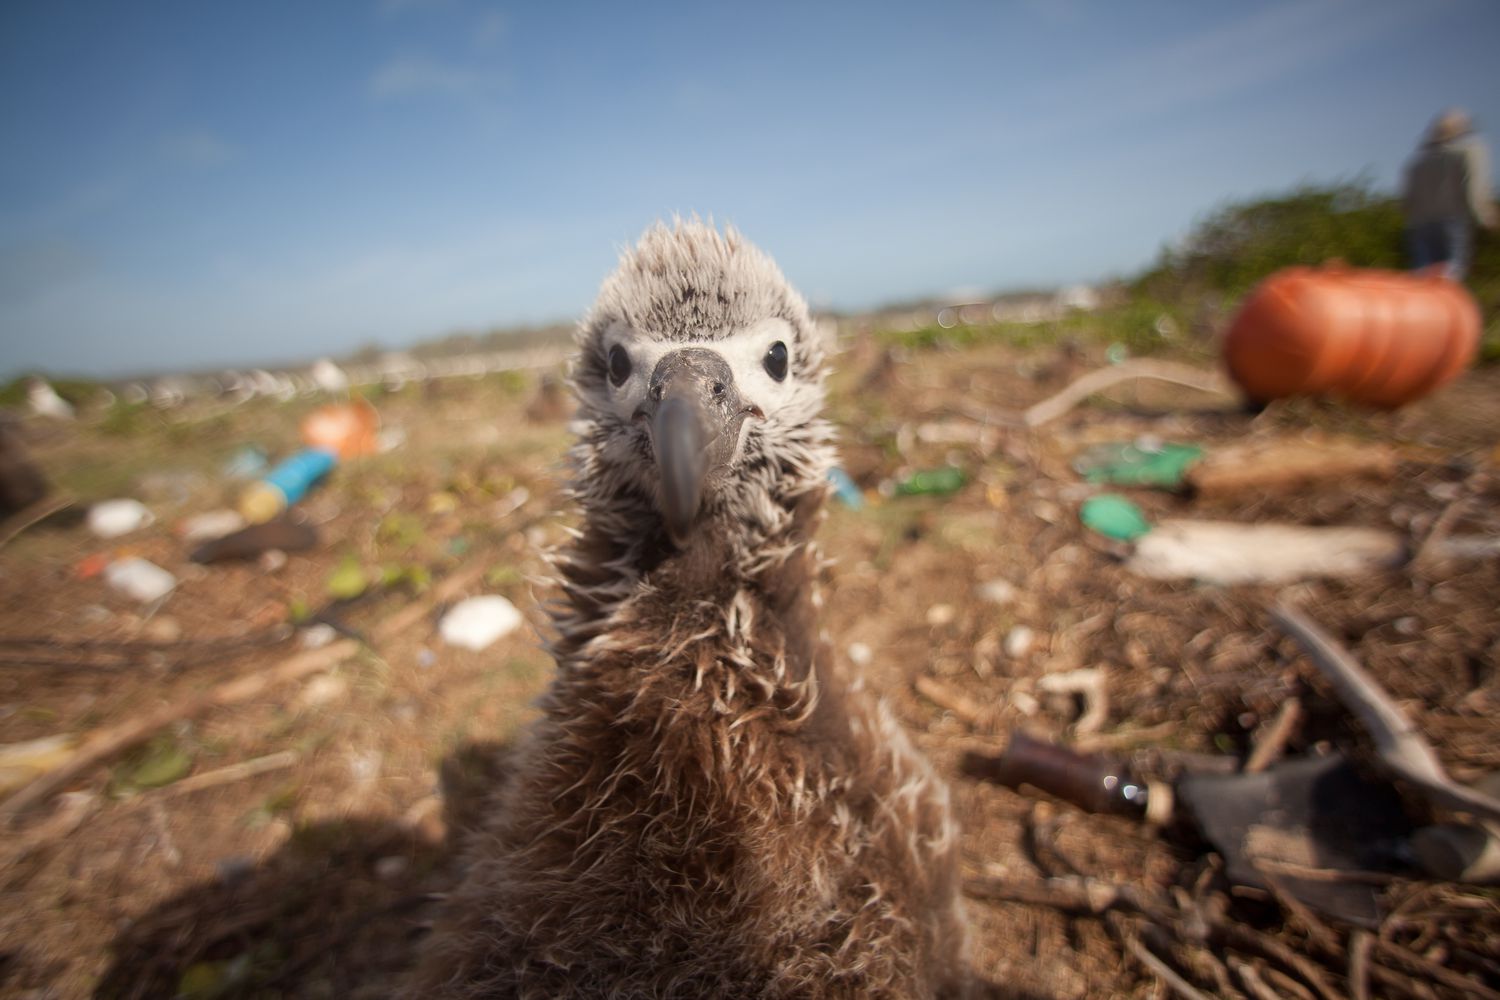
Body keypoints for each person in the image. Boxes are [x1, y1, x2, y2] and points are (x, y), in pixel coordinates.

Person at [1402, 108, 1497, 281]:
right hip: (1453, 221)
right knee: (1452, 274)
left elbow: (1408, 200)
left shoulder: (1417, 161)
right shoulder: (1469, 150)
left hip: (1420, 225)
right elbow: (1473, 188)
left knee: (1422, 276)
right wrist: (1487, 217)